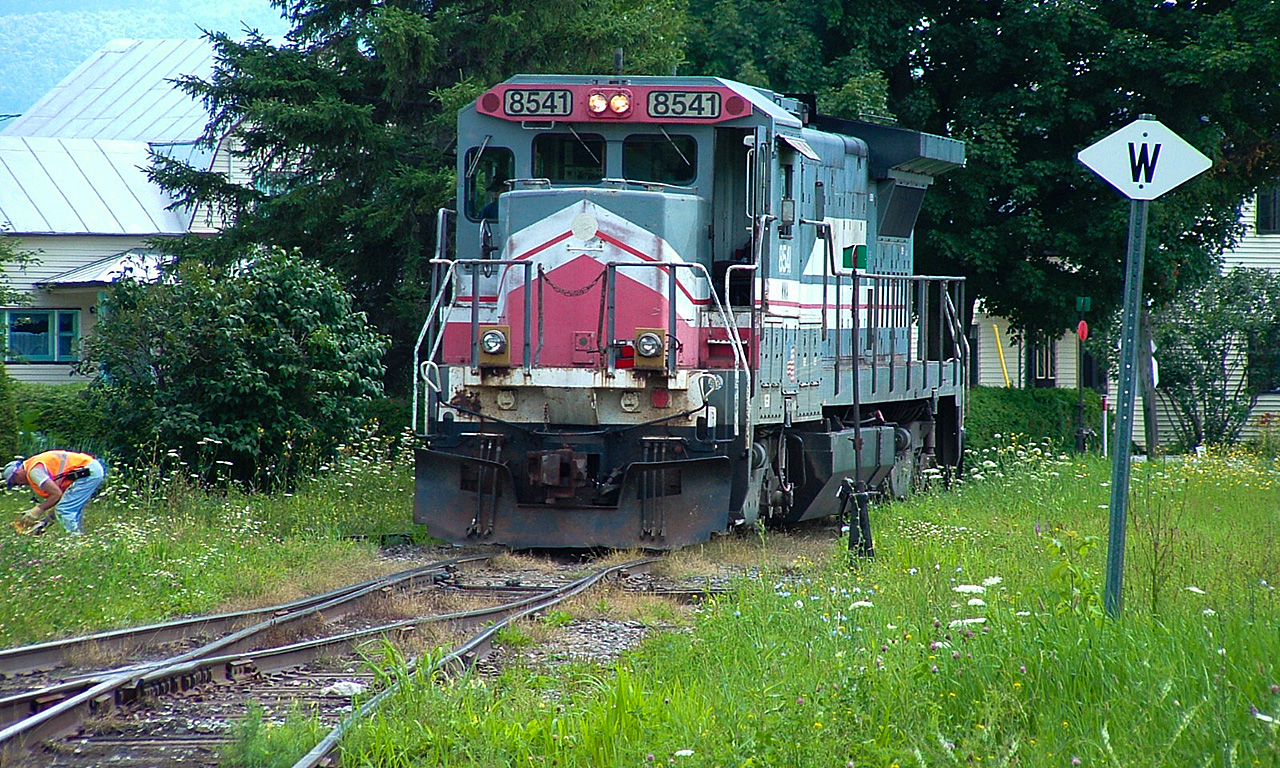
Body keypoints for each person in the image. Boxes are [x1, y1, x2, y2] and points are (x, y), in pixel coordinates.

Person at [5, 450, 107, 536]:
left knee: (64, 510)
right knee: (68, 509)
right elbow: (61, 498)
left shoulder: (34, 472)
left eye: (15, 482)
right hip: (88, 470)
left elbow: (57, 495)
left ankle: (74, 542)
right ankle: (78, 537)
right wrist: (45, 522)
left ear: (17, 473)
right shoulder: (35, 466)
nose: (19, 485)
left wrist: (37, 510)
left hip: (88, 471)